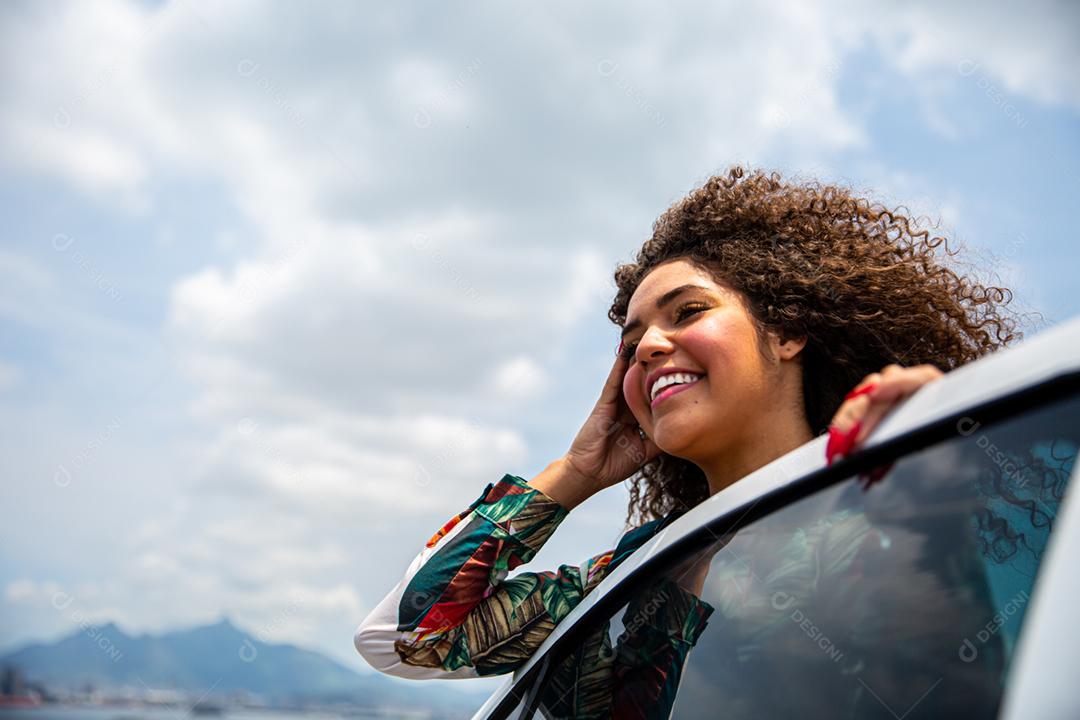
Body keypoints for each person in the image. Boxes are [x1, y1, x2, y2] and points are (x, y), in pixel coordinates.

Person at [353, 166, 1018, 717]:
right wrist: (578, 470)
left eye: (688, 311)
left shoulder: (886, 505)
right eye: (632, 341)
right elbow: (402, 640)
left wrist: (943, 444)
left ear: (786, 333)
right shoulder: (638, 570)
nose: (647, 347)